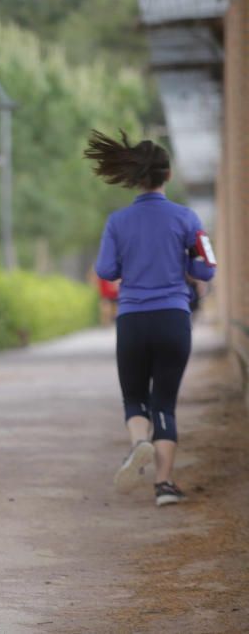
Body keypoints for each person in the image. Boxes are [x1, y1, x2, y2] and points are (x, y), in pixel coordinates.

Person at [87, 129, 216, 507]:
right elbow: (207, 268)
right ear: (168, 176)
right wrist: (184, 263)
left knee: (134, 398)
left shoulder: (117, 222)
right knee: (165, 402)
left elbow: (106, 270)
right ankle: (164, 485)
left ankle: (138, 443)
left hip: (133, 320)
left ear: (135, 178)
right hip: (174, 318)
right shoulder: (187, 218)